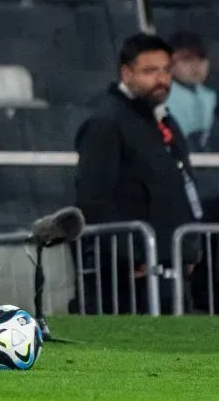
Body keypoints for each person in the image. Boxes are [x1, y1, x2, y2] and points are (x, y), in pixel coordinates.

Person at [74, 33, 203, 314]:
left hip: (172, 269)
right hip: (129, 283)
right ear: (127, 73)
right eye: (150, 71)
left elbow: (181, 186)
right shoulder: (105, 124)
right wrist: (133, 255)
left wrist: (189, 248)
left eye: (166, 70)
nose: (162, 79)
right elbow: (93, 199)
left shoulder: (163, 121)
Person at [165, 30, 216, 153]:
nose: (196, 65)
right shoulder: (161, 99)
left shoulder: (210, 97)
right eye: (187, 59)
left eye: (202, 58)